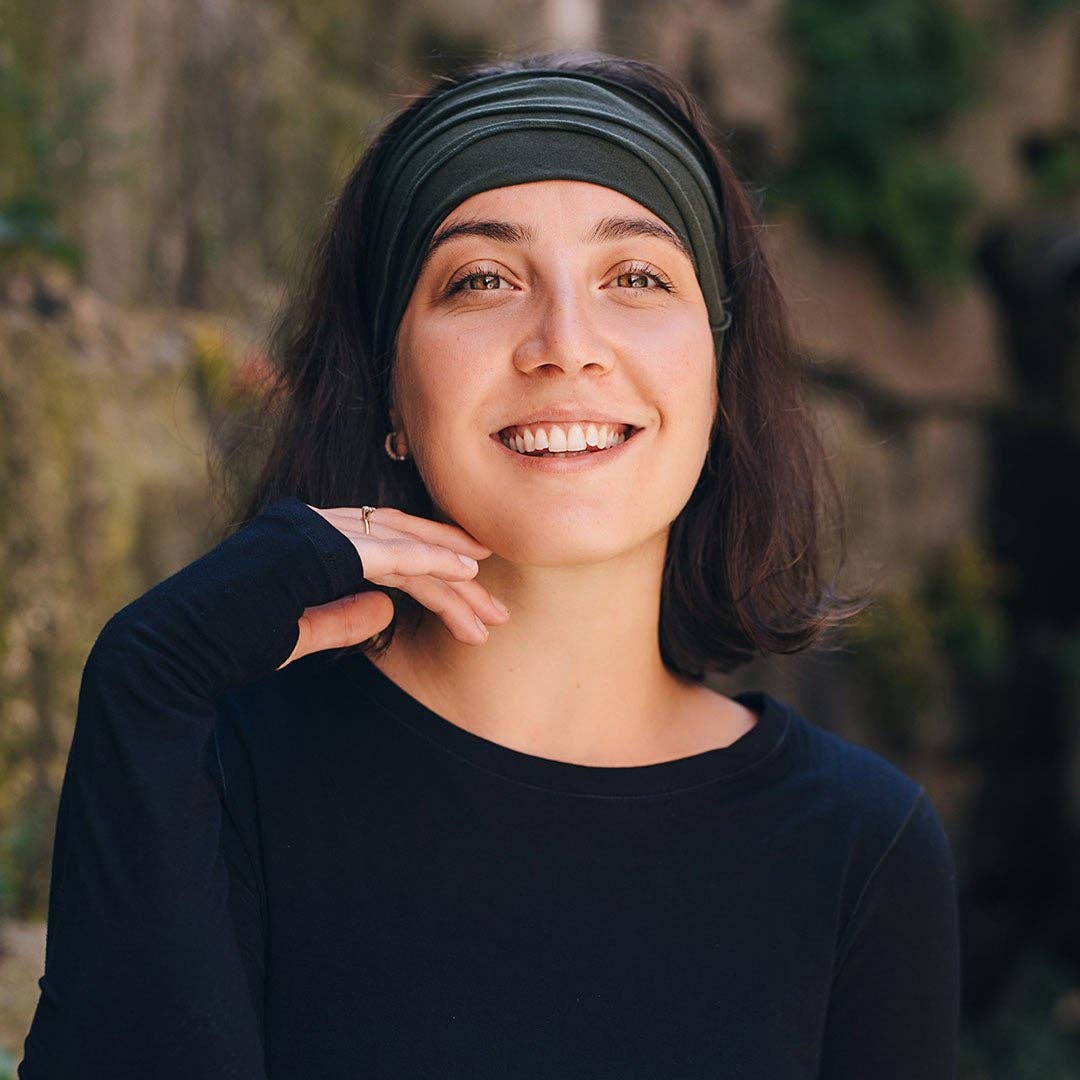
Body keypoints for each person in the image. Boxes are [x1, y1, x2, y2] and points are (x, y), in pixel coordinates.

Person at [19, 50, 961, 1078]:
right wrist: (145, 678)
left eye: (636, 277)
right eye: (482, 281)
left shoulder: (860, 846)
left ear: (718, 373)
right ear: (388, 389)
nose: (566, 344)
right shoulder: (218, 771)